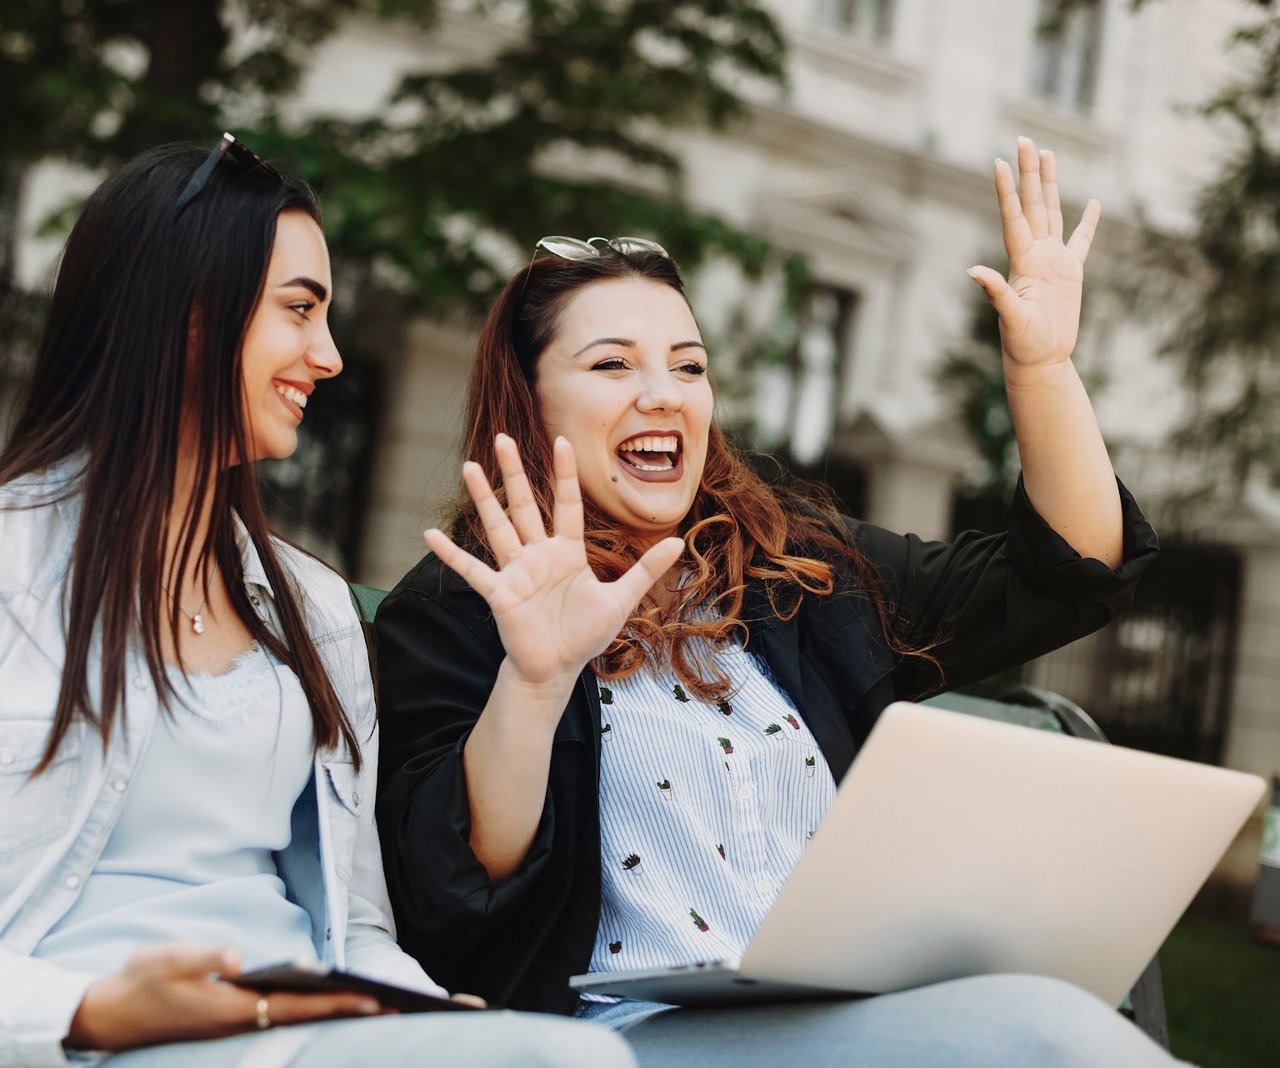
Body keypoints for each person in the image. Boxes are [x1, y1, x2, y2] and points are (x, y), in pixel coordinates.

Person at [0, 136, 635, 1068]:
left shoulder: (312, 612)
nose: (327, 356)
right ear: (185, 313)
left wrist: (437, 1020)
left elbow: (354, 935)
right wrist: (102, 1011)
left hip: (289, 1040)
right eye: (298, 311)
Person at [374, 137, 1179, 1066]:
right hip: (623, 1042)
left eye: (688, 365)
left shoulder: (787, 572)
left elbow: (1070, 570)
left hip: (832, 1021)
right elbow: (456, 891)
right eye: (612, 367)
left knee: (1053, 1022)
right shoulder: (460, 607)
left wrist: (1042, 371)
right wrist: (535, 677)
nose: (664, 395)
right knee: (1051, 1035)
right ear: (530, 401)